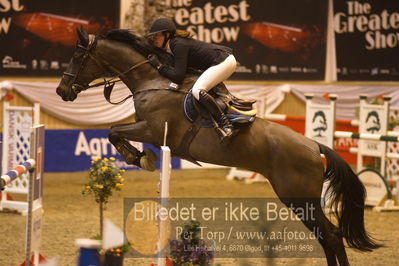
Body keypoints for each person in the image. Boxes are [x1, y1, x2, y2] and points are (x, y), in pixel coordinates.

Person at [145, 17, 237, 141]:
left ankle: (225, 125)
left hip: (224, 61)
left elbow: (178, 76)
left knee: (197, 90)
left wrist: (159, 66)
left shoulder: (177, 44)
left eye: (157, 35)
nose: (154, 39)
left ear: (167, 34)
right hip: (223, 61)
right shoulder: (173, 45)